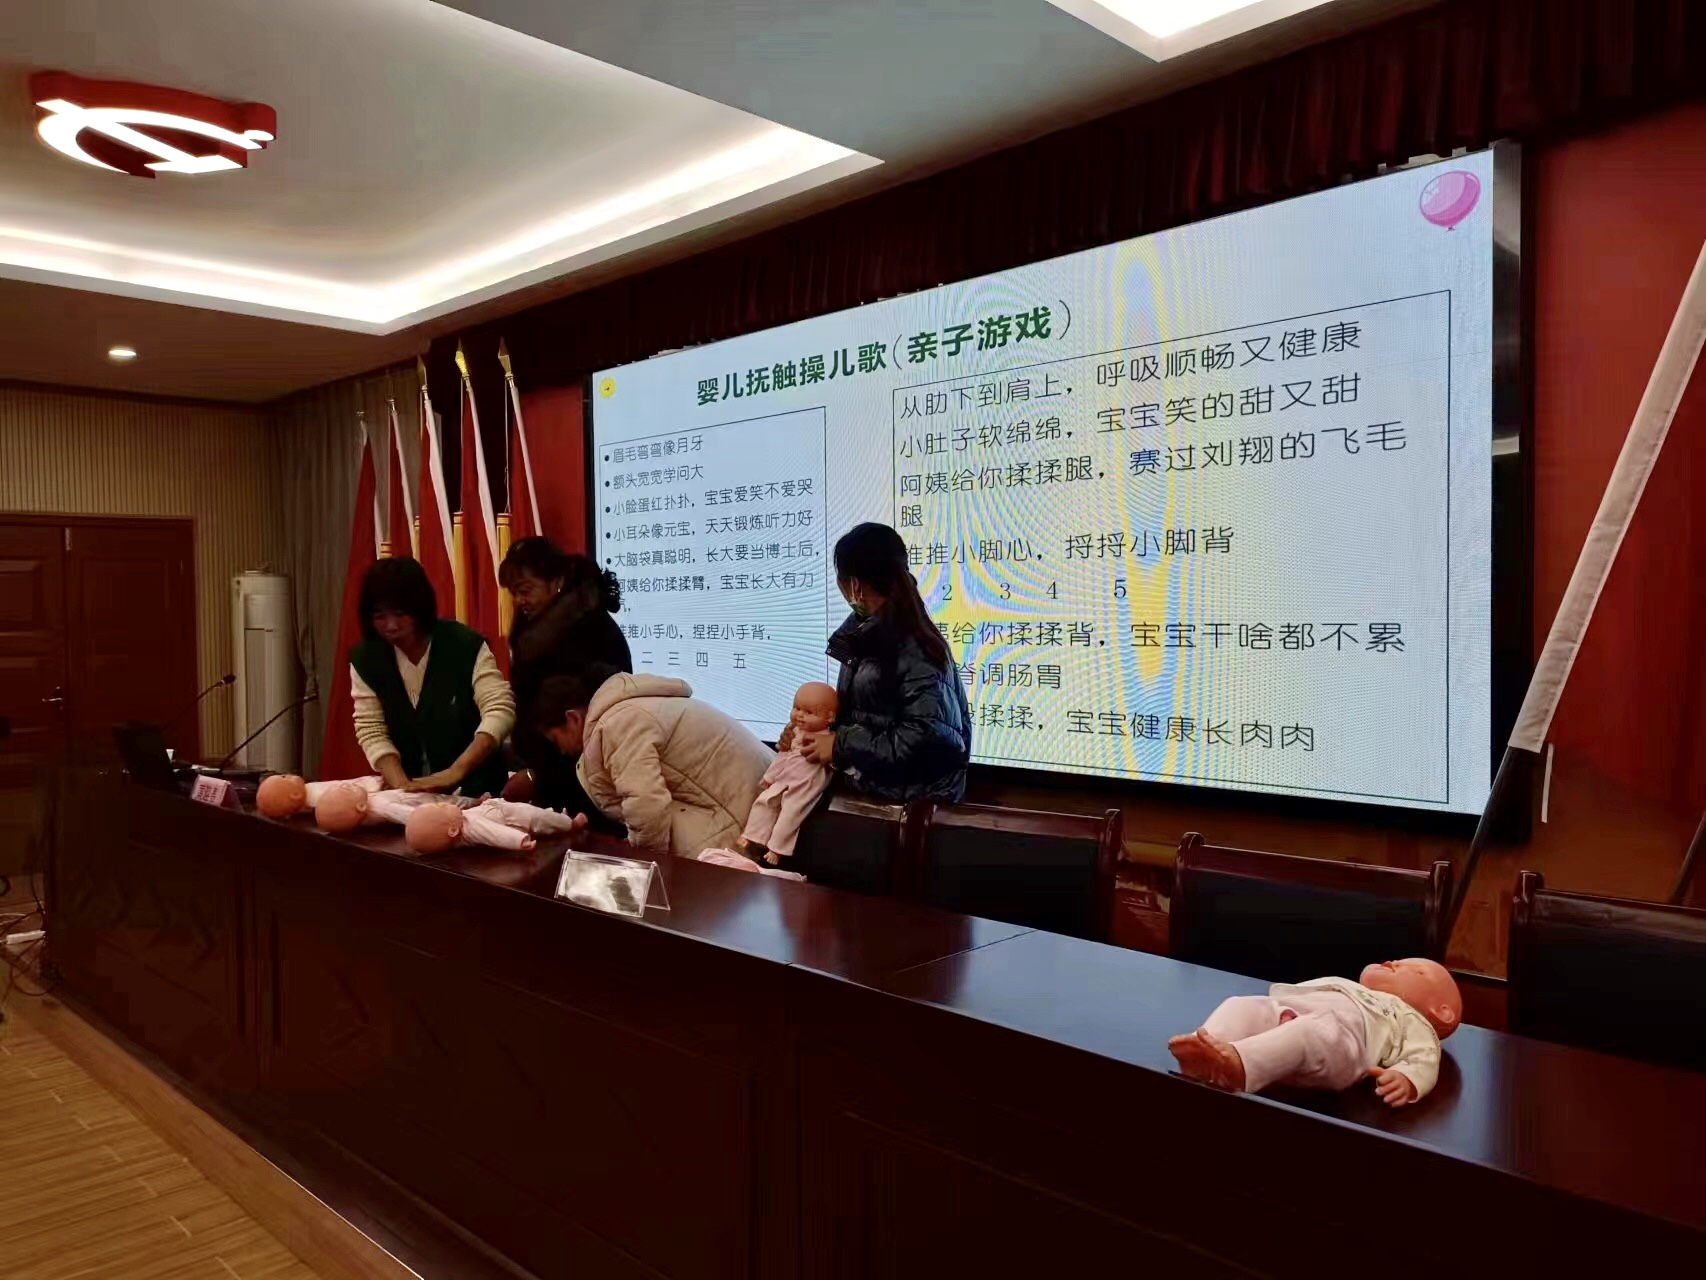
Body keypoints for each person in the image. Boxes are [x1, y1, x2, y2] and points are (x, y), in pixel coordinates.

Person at [792, 522, 971, 802]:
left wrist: (841, 744)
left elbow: (927, 738)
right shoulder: (867, 633)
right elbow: (863, 716)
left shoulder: (913, 645)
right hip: (879, 791)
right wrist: (812, 732)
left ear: (854, 584)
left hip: (908, 804)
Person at [532, 664, 773, 857]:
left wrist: (643, 865)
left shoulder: (617, 724)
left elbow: (646, 805)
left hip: (747, 818)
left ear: (573, 718)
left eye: (556, 739)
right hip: (757, 806)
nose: (560, 750)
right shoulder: (631, 710)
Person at [1167, 958, 1462, 1106]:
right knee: (1242, 1005)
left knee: (1310, 1033)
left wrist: (1407, 1079)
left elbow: (1424, 1058)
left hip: (1343, 1044)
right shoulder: (1356, 990)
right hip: (1290, 1013)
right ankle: (1206, 1050)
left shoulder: (1412, 1020)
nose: (1397, 962)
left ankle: (1239, 1066)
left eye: (1417, 971)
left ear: (1442, 1011)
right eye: (1401, 959)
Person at [348, 557, 513, 797]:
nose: (391, 626)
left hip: (478, 790)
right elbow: (371, 728)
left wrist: (455, 772)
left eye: (400, 613)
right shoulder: (367, 659)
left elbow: (499, 709)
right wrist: (402, 786)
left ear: (419, 607)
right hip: (410, 789)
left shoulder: (463, 644)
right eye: (379, 616)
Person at [499, 538, 631, 817]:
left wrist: (537, 776)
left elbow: (590, 724)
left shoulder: (591, 630)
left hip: (585, 779)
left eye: (525, 590)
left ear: (556, 581)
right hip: (545, 774)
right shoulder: (534, 626)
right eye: (513, 592)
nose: (518, 601)